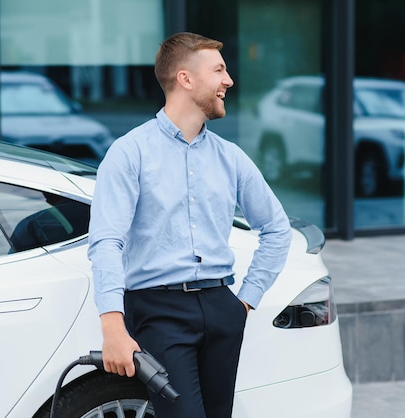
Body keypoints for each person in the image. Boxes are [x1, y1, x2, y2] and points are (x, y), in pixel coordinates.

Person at [87, 32, 292, 418]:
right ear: (185, 79)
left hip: (221, 306)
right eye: (218, 70)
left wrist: (244, 303)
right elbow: (106, 241)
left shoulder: (230, 158)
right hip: (158, 310)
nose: (228, 80)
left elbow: (278, 230)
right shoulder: (130, 153)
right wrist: (112, 324)